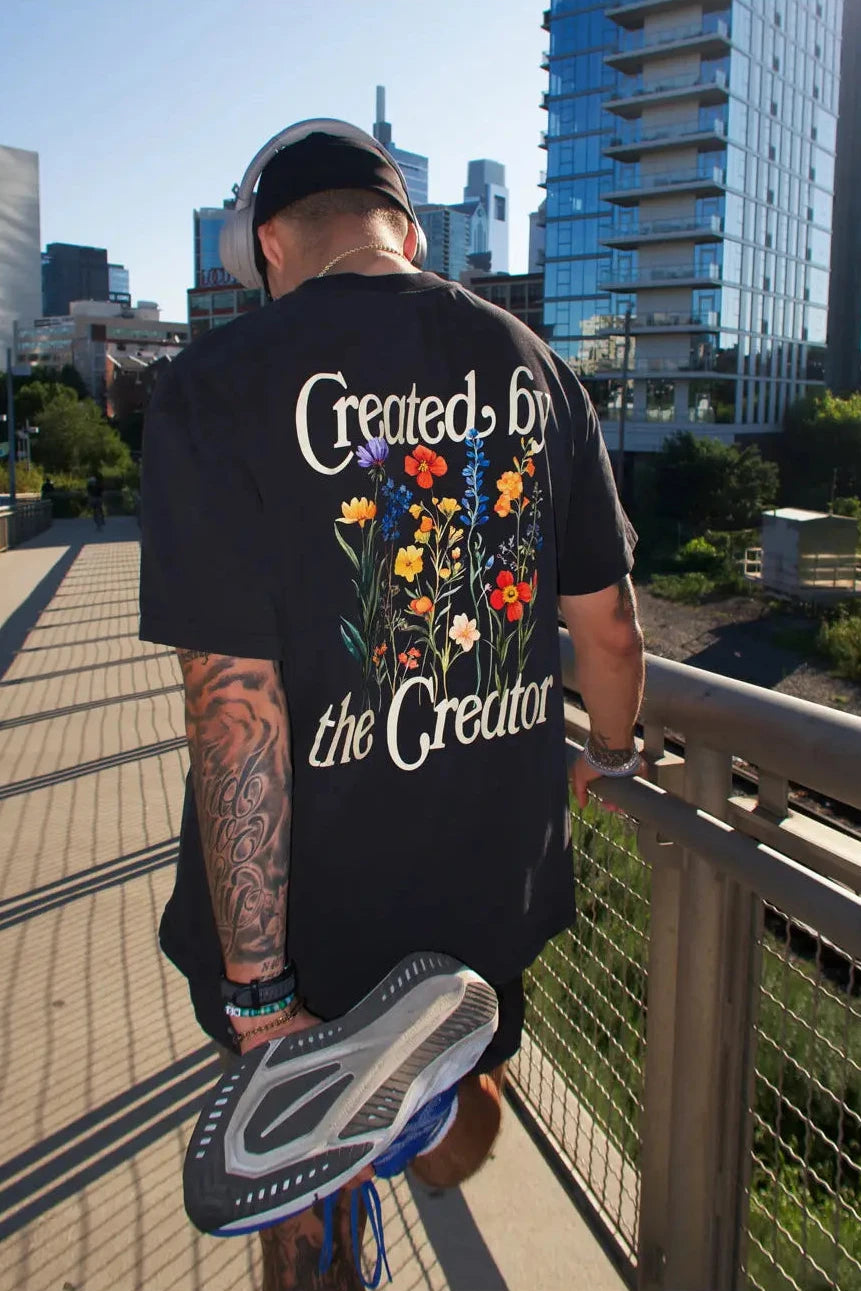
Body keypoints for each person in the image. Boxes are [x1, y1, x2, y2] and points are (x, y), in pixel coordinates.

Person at [139, 119, 644, 1291]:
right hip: (475, 892)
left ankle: (325, 1214)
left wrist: (261, 995)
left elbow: (232, 705)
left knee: (302, 1204)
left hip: (303, 911)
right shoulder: (534, 366)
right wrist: (609, 757)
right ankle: (410, 1125)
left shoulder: (213, 387)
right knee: (464, 1114)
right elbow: (610, 631)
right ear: (408, 233)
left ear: (271, 244)